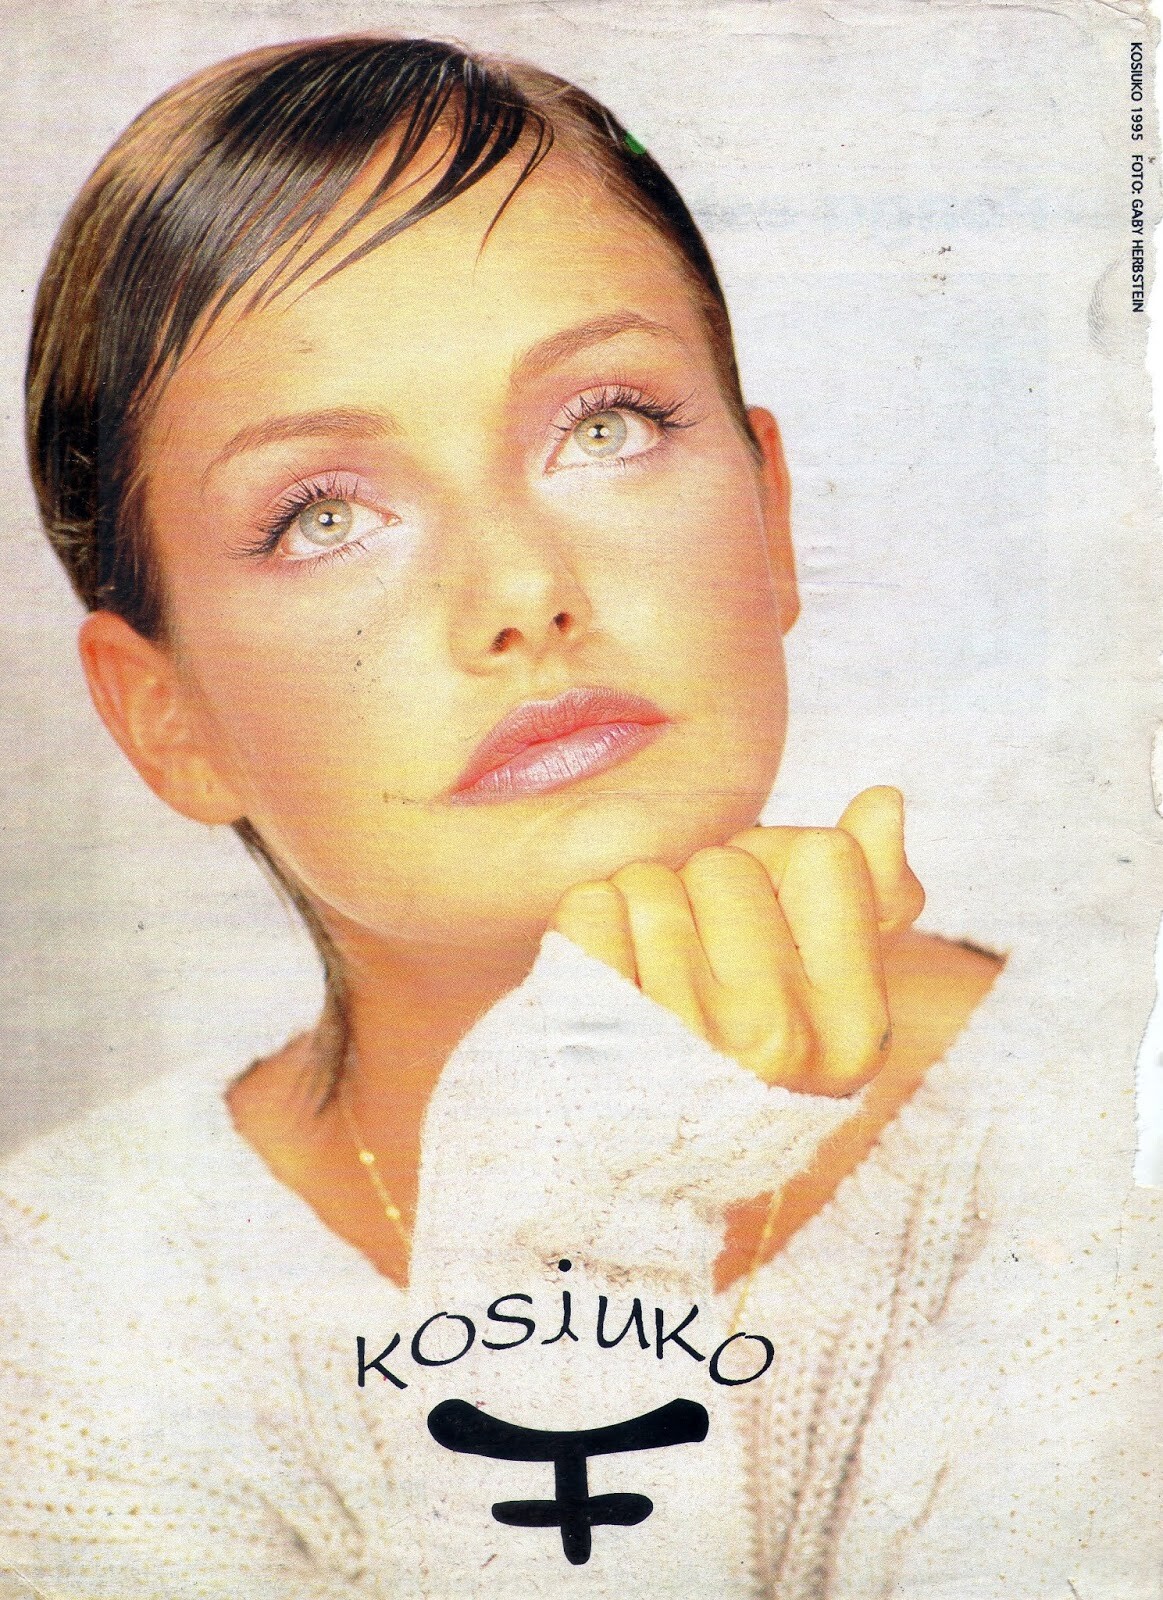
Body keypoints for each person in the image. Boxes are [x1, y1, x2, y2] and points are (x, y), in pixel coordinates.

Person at [2, 35, 1004, 1598]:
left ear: (770, 515)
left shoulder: (1112, 1139)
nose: (524, 593)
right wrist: (578, 1212)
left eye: (604, 426)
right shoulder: (63, 1311)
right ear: (165, 717)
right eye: (325, 514)